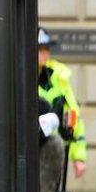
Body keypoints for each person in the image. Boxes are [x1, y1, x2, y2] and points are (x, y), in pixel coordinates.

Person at [37, 26, 86, 179]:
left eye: (46, 49)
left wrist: (78, 156)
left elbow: (73, 114)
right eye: (39, 49)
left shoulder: (59, 78)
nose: (44, 53)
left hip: (53, 151)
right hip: (29, 151)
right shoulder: (17, 74)